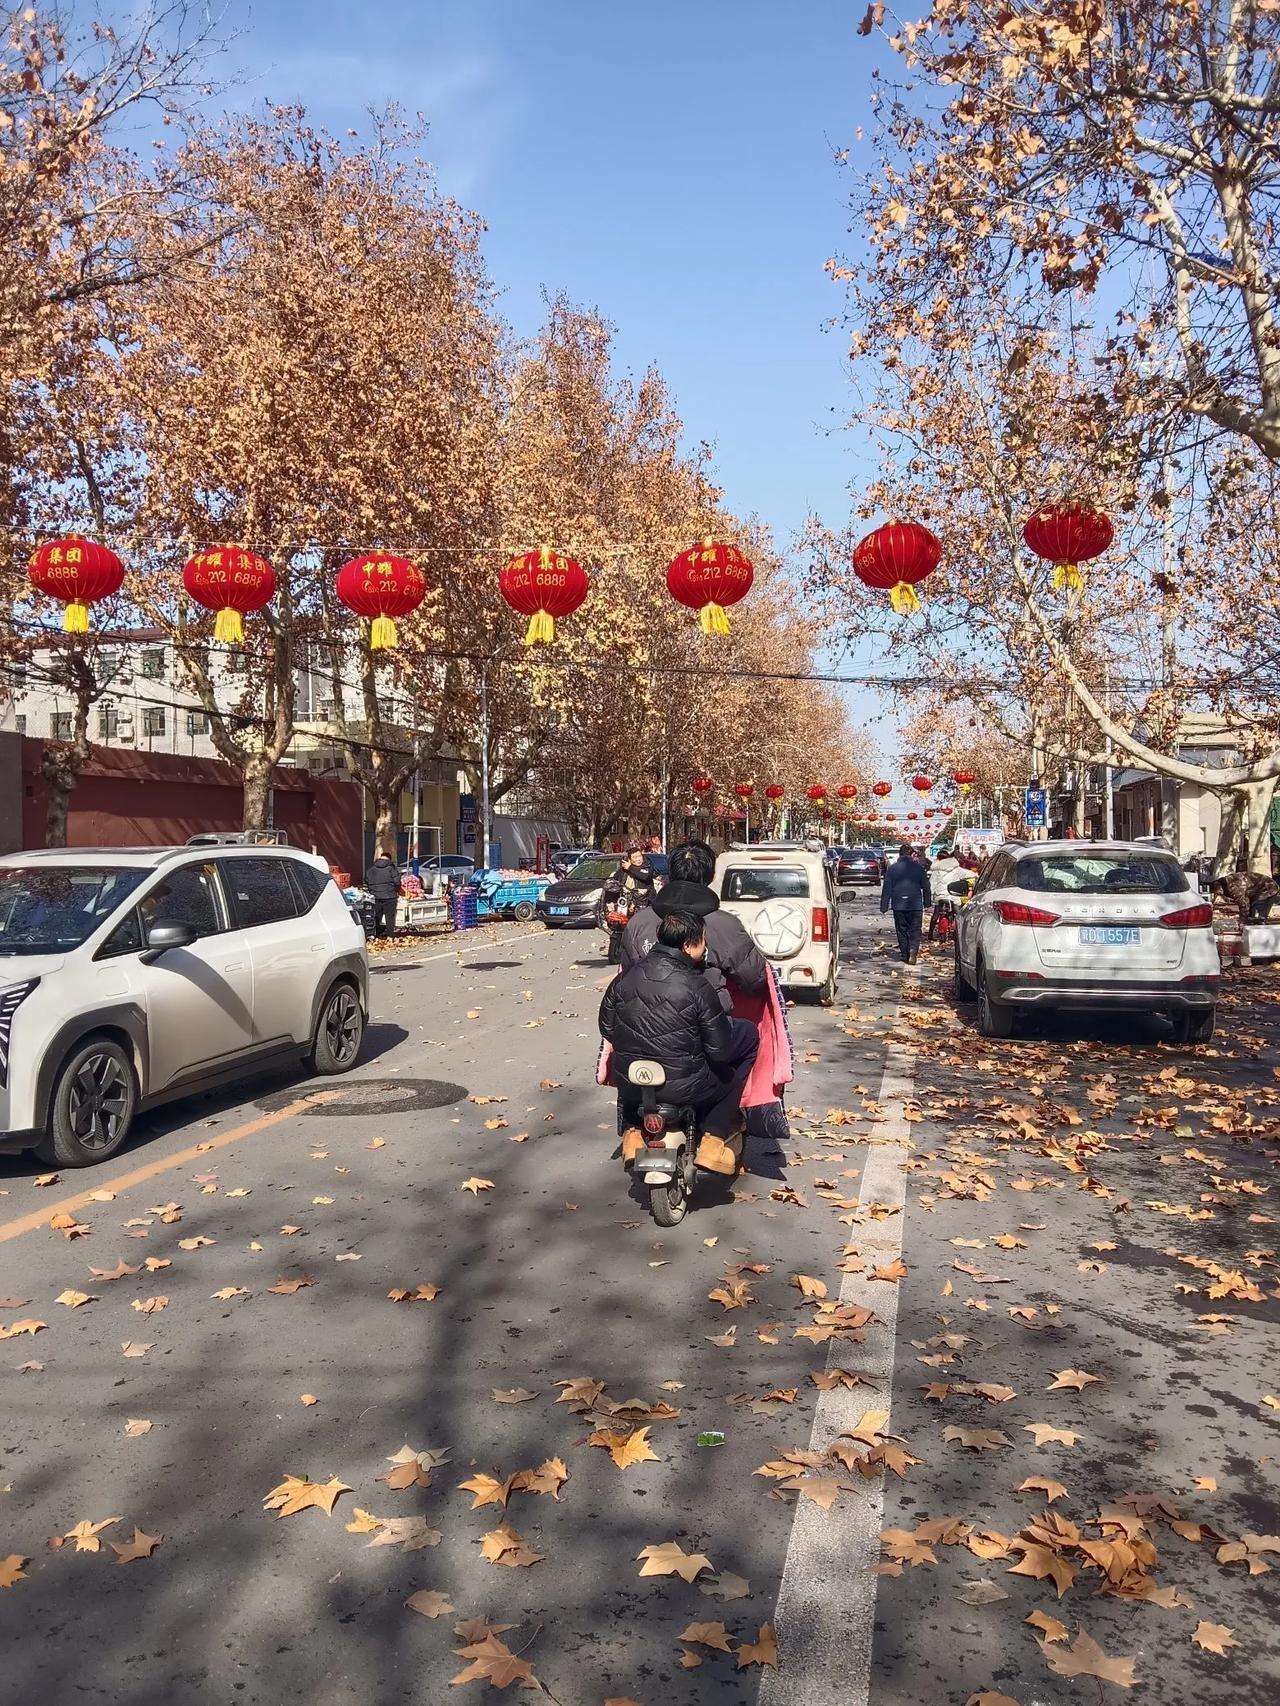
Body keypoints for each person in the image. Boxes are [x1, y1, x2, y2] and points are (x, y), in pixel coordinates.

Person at [600, 911, 759, 1174]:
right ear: (687, 946)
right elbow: (720, 1051)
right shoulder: (698, 986)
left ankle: (631, 1136)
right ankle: (713, 1140)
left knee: (626, 1067)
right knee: (730, 1078)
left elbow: (607, 1027)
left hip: (632, 1084)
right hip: (686, 1087)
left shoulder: (624, 979)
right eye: (702, 941)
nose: (705, 947)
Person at [621, 839, 767, 1011]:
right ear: (710, 876)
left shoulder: (638, 923)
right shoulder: (725, 925)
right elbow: (755, 978)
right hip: (707, 1024)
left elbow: (628, 976)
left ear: (672, 872)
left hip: (646, 1023)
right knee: (749, 1033)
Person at [880, 841, 931, 963]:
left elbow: (887, 888)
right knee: (915, 929)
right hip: (915, 904)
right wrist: (927, 902)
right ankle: (913, 950)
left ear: (900, 855)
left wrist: (884, 905)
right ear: (911, 855)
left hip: (899, 904)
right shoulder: (919, 868)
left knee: (901, 929)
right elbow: (926, 886)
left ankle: (904, 953)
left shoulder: (892, 869)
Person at [366, 850, 402, 938]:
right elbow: (397, 882)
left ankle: (376, 935)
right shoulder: (392, 868)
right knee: (389, 917)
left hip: (376, 896)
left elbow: (366, 881)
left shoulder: (371, 869)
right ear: (389, 859)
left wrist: (373, 890)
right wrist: (396, 890)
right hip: (390, 896)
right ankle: (390, 936)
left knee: (377, 916)